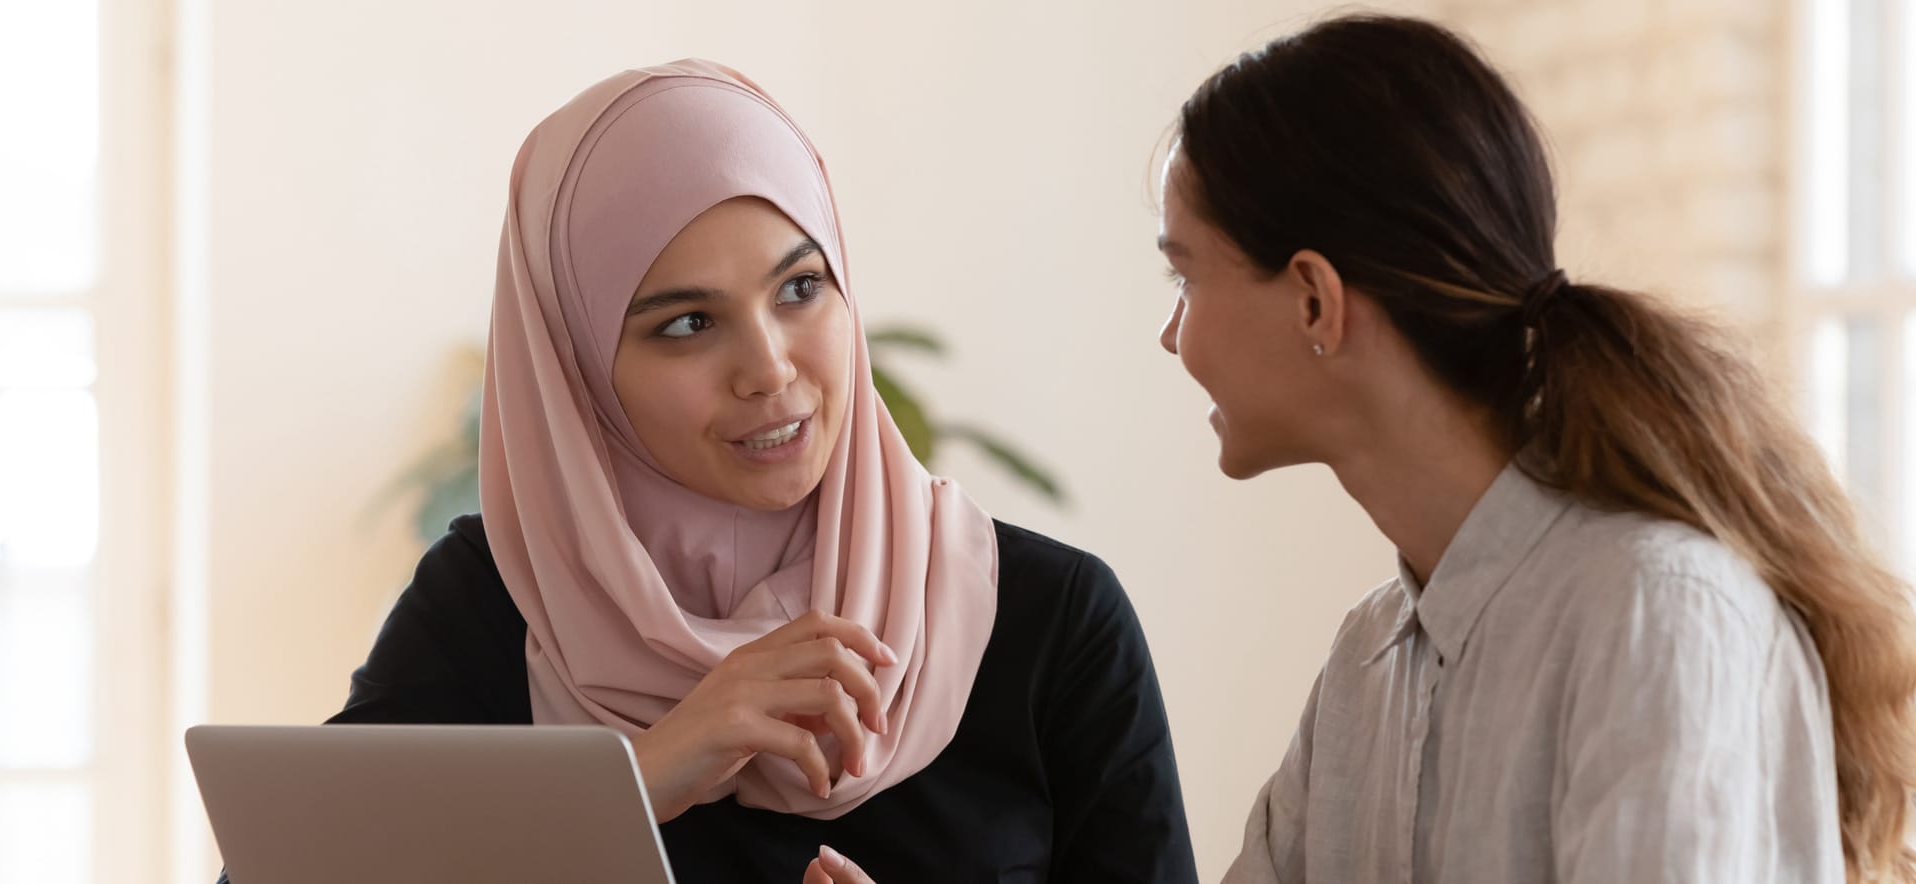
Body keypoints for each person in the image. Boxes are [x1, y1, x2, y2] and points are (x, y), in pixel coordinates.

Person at [219, 60, 1195, 884]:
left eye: (801, 288)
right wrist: (640, 778)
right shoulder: (497, 605)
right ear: (575, 367)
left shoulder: (1047, 619)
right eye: (687, 323)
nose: (769, 367)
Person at [1153, 14, 1916, 883]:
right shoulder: (1365, 660)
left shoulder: (1655, 614)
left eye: (1186, 277)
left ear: (1314, 303)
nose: (1171, 336)